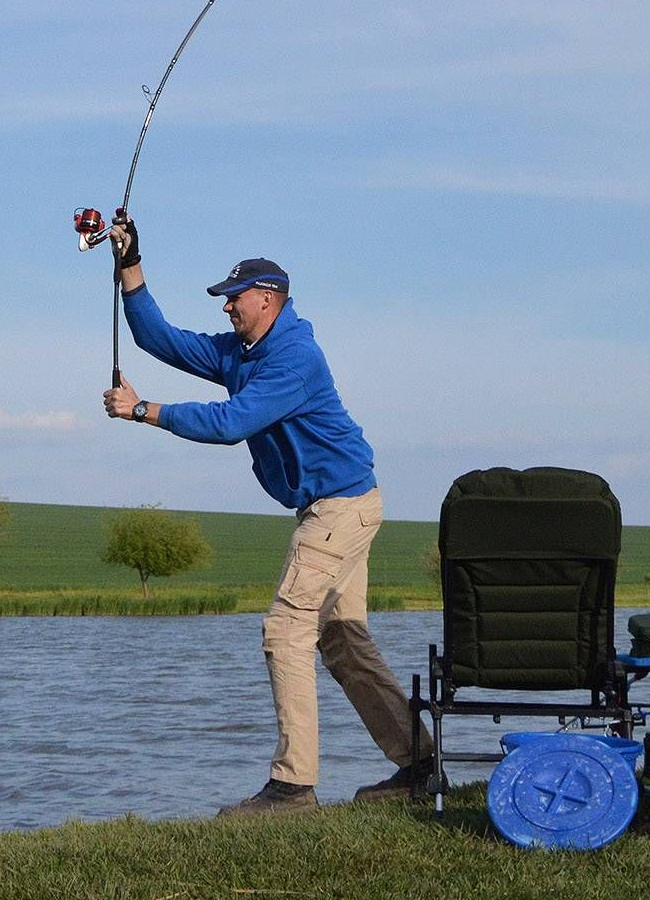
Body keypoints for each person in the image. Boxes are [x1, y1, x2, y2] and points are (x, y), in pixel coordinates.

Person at [99, 211, 432, 815]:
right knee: (341, 642)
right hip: (338, 505)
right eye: (225, 299)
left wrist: (142, 409)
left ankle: (293, 787)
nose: (226, 308)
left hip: (341, 506)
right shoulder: (241, 352)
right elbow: (159, 339)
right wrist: (130, 264)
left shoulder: (293, 357)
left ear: (268, 299)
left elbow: (231, 424)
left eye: (234, 298)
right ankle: (420, 766)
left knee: (285, 630)